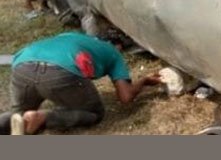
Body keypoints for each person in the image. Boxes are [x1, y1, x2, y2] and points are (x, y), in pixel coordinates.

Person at [0, 31, 161, 135]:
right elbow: (126, 97)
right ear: (118, 46)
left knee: (18, 115)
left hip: (22, 64)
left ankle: (20, 119)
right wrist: (144, 81)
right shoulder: (113, 52)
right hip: (59, 71)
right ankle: (43, 118)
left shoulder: (70, 35)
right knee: (94, 113)